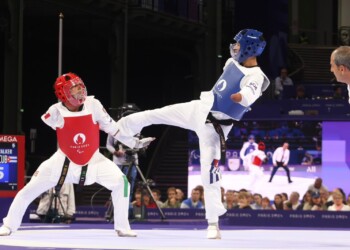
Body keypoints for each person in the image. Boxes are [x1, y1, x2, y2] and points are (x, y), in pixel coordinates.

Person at [113, 28, 270, 239]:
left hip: (215, 129)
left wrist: (240, 96)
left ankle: (213, 224)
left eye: (239, 45)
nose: (235, 47)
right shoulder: (231, 63)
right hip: (200, 109)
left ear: (250, 48)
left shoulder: (257, 76)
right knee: (158, 114)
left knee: (209, 174)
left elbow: (249, 94)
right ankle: (120, 129)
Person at [0, 73, 153, 237]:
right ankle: (8, 225)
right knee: (27, 191)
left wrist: (134, 143)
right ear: (63, 94)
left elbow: (112, 128)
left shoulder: (93, 104)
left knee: (122, 183)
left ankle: (123, 227)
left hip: (94, 160)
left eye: (81, 87)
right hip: (62, 162)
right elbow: (53, 123)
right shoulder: (55, 112)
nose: (80, 91)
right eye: (75, 89)